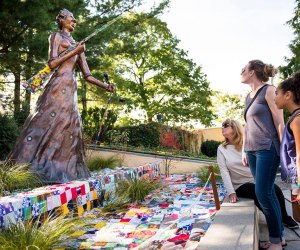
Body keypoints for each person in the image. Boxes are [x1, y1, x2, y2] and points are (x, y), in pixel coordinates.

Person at [9, 9, 115, 183]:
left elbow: (88, 76)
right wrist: (75, 51)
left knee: (67, 126)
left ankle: (62, 168)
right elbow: (52, 63)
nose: (74, 21)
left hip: (70, 87)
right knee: (45, 120)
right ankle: (25, 166)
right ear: (62, 20)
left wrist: (106, 86)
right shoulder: (56, 36)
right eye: (71, 18)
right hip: (57, 84)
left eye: (74, 19)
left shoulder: (78, 44)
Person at [217, 119, 298, 232]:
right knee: (259, 193)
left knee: (276, 189)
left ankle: (284, 217)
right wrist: (231, 192)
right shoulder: (221, 149)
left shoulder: (248, 144)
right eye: (222, 126)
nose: (222, 128)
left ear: (235, 128)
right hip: (240, 184)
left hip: (255, 178)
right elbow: (224, 171)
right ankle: (276, 223)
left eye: (225, 125)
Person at [241, 60, 285, 250]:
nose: (240, 72)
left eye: (243, 69)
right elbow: (247, 126)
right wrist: (244, 148)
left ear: (252, 72)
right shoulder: (248, 96)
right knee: (268, 195)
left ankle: (275, 241)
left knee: (263, 194)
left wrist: (285, 152)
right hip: (252, 150)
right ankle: (279, 236)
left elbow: (280, 122)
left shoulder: (269, 90)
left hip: (268, 148)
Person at [274, 72, 300, 201]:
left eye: (276, 93)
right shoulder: (294, 118)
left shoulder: (297, 120)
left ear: (288, 95)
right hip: (295, 176)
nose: (274, 98)